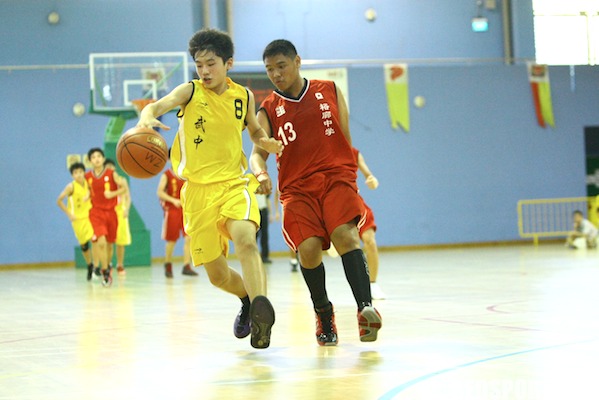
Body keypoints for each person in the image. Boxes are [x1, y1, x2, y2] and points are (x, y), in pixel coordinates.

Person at [136, 28, 283, 349]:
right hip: (197, 193)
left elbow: (255, 132)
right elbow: (154, 107)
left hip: (233, 183)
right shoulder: (189, 92)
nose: (204, 71)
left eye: (211, 64)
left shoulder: (243, 96)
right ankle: (247, 299)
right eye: (199, 65)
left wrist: (265, 142)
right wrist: (145, 119)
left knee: (246, 239)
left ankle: (261, 312)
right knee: (217, 275)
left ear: (228, 63)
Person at [250, 39, 382, 346]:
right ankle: (323, 312)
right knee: (307, 250)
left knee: (346, 236)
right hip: (297, 189)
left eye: (281, 66)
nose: (276, 74)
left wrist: (351, 175)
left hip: (336, 177)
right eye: (269, 69)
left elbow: (346, 138)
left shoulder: (330, 90)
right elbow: (257, 154)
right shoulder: (268, 108)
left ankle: (365, 308)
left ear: (297, 61)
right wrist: (260, 172)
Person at [85, 147, 127, 286]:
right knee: (101, 242)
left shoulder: (112, 173)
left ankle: (107, 265)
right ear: (90, 161)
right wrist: (86, 196)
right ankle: (104, 271)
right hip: (96, 213)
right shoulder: (87, 177)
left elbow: (124, 188)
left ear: (103, 159)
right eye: (93, 157)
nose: (96, 159)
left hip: (111, 213)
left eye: (99, 156)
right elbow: (85, 190)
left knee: (109, 245)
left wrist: (113, 194)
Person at [156, 152, 197, 278]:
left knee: (189, 237)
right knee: (172, 240)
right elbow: (159, 192)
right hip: (172, 210)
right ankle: (167, 263)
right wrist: (173, 200)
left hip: (185, 209)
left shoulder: (186, 174)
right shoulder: (166, 175)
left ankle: (186, 265)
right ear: (169, 159)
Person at [353, 147, 385, 300]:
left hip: (354, 202)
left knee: (370, 241)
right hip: (330, 204)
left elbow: (368, 174)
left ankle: (373, 284)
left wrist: (372, 179)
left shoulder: (353, 152)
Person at [56, 162, 95, 281]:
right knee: (84, 244)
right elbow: (59, 201)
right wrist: (69, 214)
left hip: (89, 216)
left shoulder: (88, 183)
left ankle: (98, 266)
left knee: (96, 238)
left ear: (84, 172)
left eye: (80, 172)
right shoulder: (70, 187)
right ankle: (89, 265)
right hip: (77, 219)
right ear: (72, 175)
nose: (78, 175)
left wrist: (88, 195)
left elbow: (92, 193)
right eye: (75, 173)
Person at [104, 159, 130, 275]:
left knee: (121, 241)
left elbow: (128, 197)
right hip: (109, 212)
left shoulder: (121, 180)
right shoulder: (104, 183)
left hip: (121, 211)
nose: (110, 169)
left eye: (112, 167)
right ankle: (108, 264)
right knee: (109, 242)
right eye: (108, 168)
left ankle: (120, 264)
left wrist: (127, 209)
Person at [256, 193, 272, 264]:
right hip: (255, 211)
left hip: (264, 211)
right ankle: (255, 256)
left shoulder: (264, 188)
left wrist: (270, 214)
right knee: (255, 235)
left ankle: (265, 256)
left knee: (264, 235)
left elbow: (267, 199)